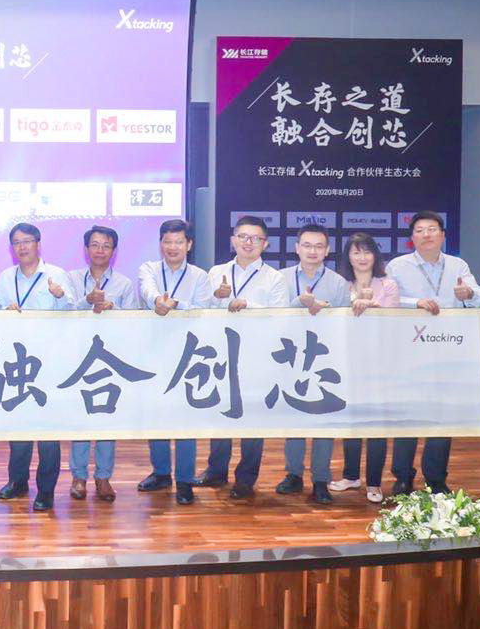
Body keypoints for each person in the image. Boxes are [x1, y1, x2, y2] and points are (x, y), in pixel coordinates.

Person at [386, 210, 480, 495]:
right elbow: (388, 300)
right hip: (410, 350)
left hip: (448, 349)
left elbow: (478, 296)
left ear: (443, 235)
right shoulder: (397, 266)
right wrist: (415, 302)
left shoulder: (458, 265)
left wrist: (469, 295)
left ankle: (436, 478)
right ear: (412, 237)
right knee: (408, 414)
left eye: (432, 229)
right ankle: (403, 476)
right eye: (419, 230)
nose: (426, 234)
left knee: (442, 415)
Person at [198, 216, 291, 500]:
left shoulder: (275, 278)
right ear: (233, 240)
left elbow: (281, 316)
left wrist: (248, 304)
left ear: (265, 244)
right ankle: (216, 471)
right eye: (243, 237)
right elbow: (201, 309)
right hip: (221, 352)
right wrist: (217, 296)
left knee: (252, 418)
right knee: (221, 414)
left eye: (255, 238)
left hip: (257, 355)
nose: (248, 243)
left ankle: (246, 478)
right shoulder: (216, 272)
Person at [0, 222, 79, 512]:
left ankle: (46, 490)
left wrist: (59, 296)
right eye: (17, 242)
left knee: (47, 431)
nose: (22, 247)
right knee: (19, 427)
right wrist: (4, 312)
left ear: (38, 244)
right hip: (17, 361)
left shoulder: (56, 274)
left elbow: (72, 312)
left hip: (49, 361)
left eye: (27, 241)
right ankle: (17, 482)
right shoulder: (6, 277)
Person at [135, 219, 213, 502]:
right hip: (154, 353)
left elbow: (203, 309)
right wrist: (158, 301)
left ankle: (184, 480)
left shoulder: (200, 276)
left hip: (188, 355)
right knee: (156, 415)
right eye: (167, 242)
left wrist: (176, 305)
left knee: (184, 419)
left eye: (179, 242)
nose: (172, 247)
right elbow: (147, 290)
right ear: (160, 244)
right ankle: (160, 472)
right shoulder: (149, 269)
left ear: (189, 245)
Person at [277, 224, 352, 505]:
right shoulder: (281, 278)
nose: (312, 251)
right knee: (294, 417)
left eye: (319, 246)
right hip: (292, 355)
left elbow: (345, 322)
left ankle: (321, 479)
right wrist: (299, 302)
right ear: (297, 248)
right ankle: (293, 474)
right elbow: (274, 317)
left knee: (324, 420)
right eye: (307, 245)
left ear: (327, 250)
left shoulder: (338, 283)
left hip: (325, 358)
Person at [67, 225, 140, 502]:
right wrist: (87, 301)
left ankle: (103, 477)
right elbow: (62, 313)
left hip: (110, 359)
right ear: (86, 249)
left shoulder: (124, 283)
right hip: (79, 357)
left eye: (106, 246)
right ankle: (78, 477)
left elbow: (134, 320)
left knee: (107, 419)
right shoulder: (72, 279)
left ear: (114, 251)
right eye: (95, 245)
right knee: (80, 419)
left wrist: (113, 309)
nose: (100, 250)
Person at [329, 232, 400, 504]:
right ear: (348, 256)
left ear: (375, 255)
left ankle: (374, 482)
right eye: (356, 252)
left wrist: (371, 304)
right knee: (353, 421)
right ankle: (351, 476)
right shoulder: (340, 285)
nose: (362, 257)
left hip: (381, 362)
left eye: (367, 251)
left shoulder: (388, 284)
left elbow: (393, 318)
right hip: (348, 361)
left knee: (376, 425)